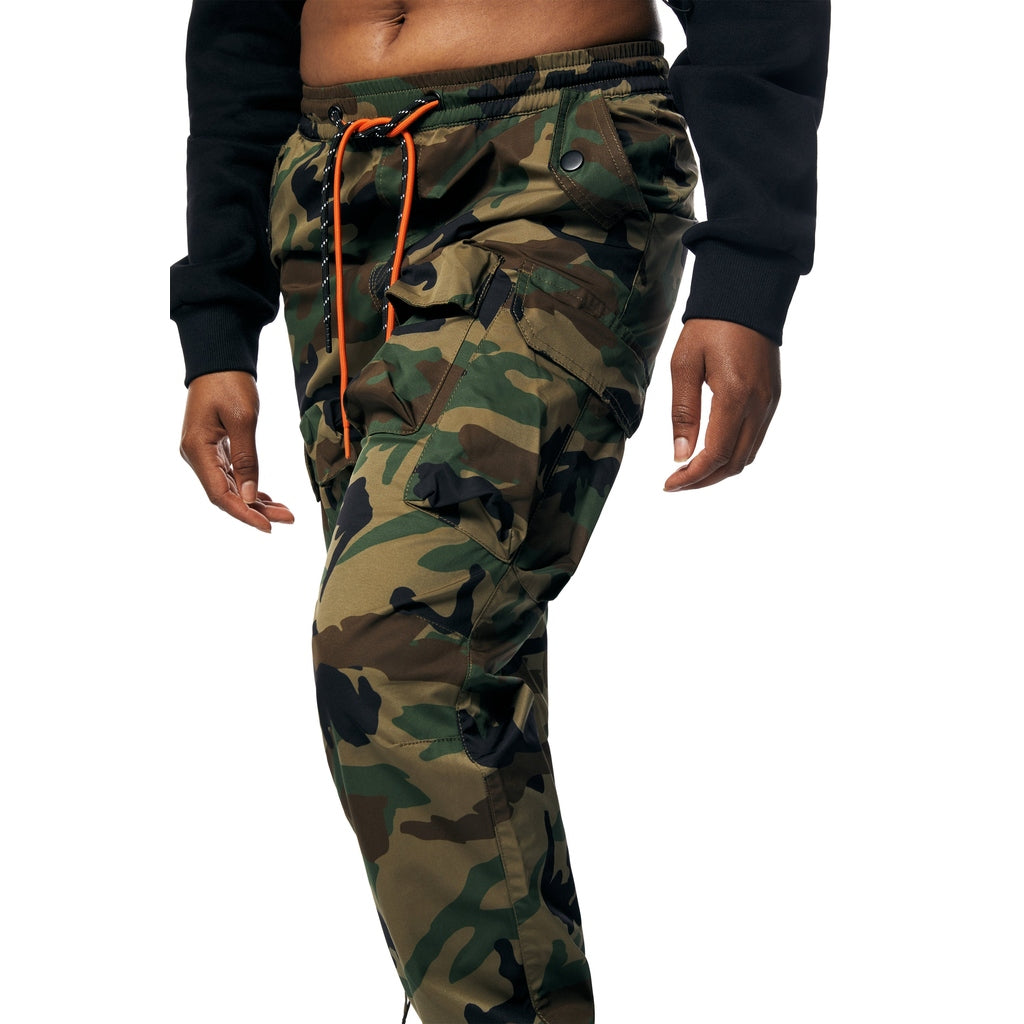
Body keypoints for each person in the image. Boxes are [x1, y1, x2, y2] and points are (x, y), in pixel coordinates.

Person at [171, 1, 830, 1020]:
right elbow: (240, 32)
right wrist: (217, 319)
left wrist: (748, 269)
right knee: (463, 675)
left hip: (552, 163)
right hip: (332, 200)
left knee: (398, 635)